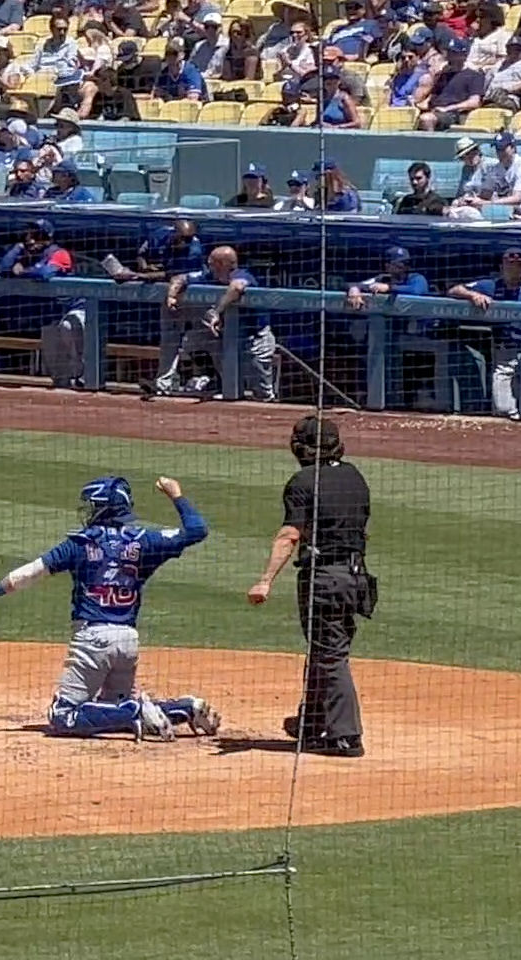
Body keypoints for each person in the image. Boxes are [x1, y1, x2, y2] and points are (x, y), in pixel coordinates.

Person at [0, 475, 218, 742]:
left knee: (63, 716)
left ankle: (137, 710)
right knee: (110, 713)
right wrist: (176, 495)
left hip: (92, 641)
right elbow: (196, 529)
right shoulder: (147, 541)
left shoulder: (80, 544)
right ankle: (185, 708)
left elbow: (30, 574)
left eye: (93, 505)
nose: (88, 511)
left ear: (106, 508)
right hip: (127, 641)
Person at [247, 418, 372, 757]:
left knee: (331, 655)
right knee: (323, 648)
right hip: (355, 576)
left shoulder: (302, 482)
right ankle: (312, 723)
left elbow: (290, 534)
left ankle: (346, 736)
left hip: (325, 579)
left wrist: (265, 580)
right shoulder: (355, 477)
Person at [158, 245, 276, 400]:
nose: (209, 264)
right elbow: (179, 278)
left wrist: (217, 312)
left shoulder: (242, 274)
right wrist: (172, 295)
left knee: (261, 388)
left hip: (255, 337)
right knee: (195, 342)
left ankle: (266, 406)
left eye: (212, 262)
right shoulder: (209, 275)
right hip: (226, 338)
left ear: (222, 264)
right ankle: (209, 383)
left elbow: (236, 287)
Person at [449, 246, 521, 419]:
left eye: (518, 265)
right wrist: (473, 295)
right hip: (505, 352)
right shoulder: (490, 285)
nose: (514, 268)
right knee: (503, 408)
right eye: (510, 264)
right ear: (502, 267)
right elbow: (454, 290)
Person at [0, 219, 81, 388]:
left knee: (68, 329)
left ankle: (84, 378)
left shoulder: (59, 253)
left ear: (48, 238)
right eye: (29, 235)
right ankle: (63, 389)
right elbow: (3, 269)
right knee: (55, 365)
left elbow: (45, 273)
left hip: (76, 309)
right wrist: (18, 247)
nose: (31, 240)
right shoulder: (27, 253)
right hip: (52, 313)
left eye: (37, 236)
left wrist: (23, 271)